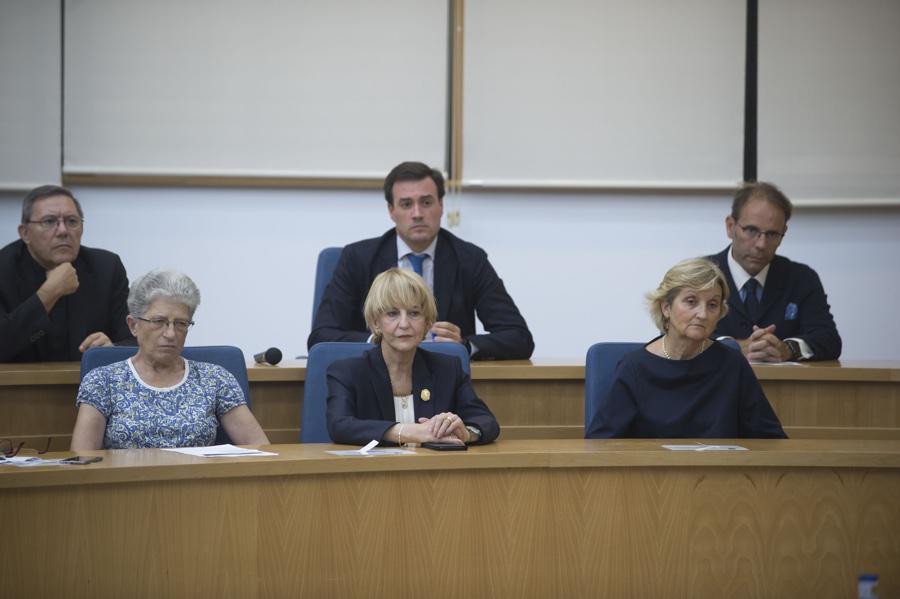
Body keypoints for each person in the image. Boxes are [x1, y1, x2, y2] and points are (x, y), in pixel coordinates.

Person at [308, 161, 534, 360]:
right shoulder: (358, 259)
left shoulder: (469, 259)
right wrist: (379, 340)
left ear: (441, 206)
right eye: (406, 204)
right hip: (376, 378)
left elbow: (519, 337)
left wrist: (464, 345)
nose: (417, 213)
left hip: (445, 381)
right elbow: (322, 335)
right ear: (391, 211)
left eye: (426, 202)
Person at [586, 258, 786, 439]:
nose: (702, 314)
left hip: (720, 476)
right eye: (691, 301)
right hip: (654, 477)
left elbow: (771, 440)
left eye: (712, 305)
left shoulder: (732, 365)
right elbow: (600, 443)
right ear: (666, 307)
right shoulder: (635, 367)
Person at [70, 269, 269, 450]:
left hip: (199, 485)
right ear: (133, 325)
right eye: (159, 322)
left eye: (181, 323)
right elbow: (83, 459)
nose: (171, 333)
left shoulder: (215, 379)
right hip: (126, 487)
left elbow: (260, 448)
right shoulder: (103, 381)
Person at [326, 268, 500, 446]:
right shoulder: (347, 372)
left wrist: (466, 433)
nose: (404, 324)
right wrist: (408, 431)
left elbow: (486, 422)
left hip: (433, 472)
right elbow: (340, 426)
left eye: (414, 313)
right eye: (392, 313)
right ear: (376, 322)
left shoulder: (447, 368)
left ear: (427, 322)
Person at [709, 182, 841, 362]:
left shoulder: (801, 278)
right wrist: (734, 347)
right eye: (751, 230)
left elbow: (829, 339)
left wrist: (788, 348)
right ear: (730, 227)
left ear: (783, 233)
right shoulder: (699, 275)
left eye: (772, 234)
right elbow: (674, 334)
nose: (761, 244)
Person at [0, 185, 133, 362]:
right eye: (49, 221)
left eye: (71, 221)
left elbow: (135, 339)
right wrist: (49, 293)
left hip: (87, 386)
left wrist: (112, 349)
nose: (63, 231)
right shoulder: (4, 269)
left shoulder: (107, 268)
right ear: (25, 233)